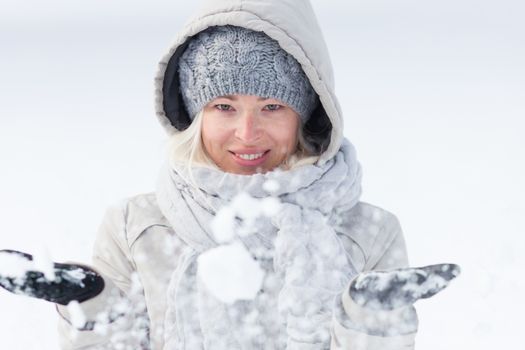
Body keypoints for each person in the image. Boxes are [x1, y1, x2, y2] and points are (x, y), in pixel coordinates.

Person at [0, 0, 460, 349]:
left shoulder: (368, 232)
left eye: (272, 107)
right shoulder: (135, 225)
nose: (247, 133)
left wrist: (368, 317)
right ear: (196, 115)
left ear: (307, 115)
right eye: (224, 106)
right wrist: (89, 303)